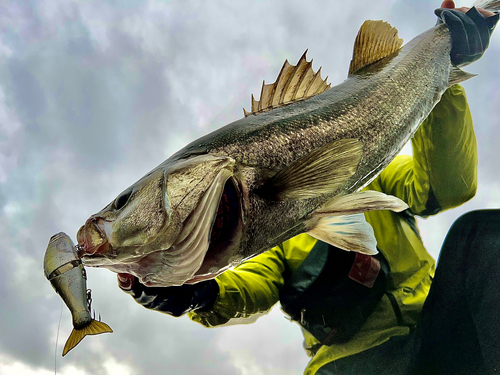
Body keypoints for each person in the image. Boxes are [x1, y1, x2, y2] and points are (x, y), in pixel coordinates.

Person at [117, 3, 499, 374]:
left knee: (482, 238)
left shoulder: (383, 181)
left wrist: (447, 64)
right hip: (346, 363)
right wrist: (195, 294)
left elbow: (449, 188)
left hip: (437, 329)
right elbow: (249, 286)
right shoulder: (273, 238)